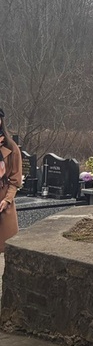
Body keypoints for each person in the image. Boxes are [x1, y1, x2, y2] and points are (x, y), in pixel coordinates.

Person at [0, 107, 23, 253]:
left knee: (5, 247)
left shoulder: (11, 147)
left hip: (2, 199)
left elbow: (15, 179)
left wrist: (7, 200)